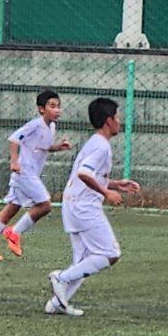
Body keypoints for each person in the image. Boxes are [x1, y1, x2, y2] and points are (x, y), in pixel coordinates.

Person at [47, 97, 140, 316]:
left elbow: (90, 174)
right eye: (118, 118)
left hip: (72, 203)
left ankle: (57, 303)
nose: (120, 122)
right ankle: (61, 278)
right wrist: (106, 192)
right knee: (110, 253)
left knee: (83, 259)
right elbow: (84, 174)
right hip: (84, 207)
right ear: (109, 120)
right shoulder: (101, 147)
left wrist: (116, 184)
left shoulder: (95, 142)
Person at [0, 90, 72, 261]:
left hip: (30, 172)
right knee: (45, 205)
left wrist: (58, 147)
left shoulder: (51, 127)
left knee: (13, 207)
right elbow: (14, 139)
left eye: (58, 106)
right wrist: (14, 162)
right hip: (24, 171)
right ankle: (14, 232)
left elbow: (43, 147)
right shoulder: (35, 125)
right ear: (41, 109)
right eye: (52, 106)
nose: (57, 110)